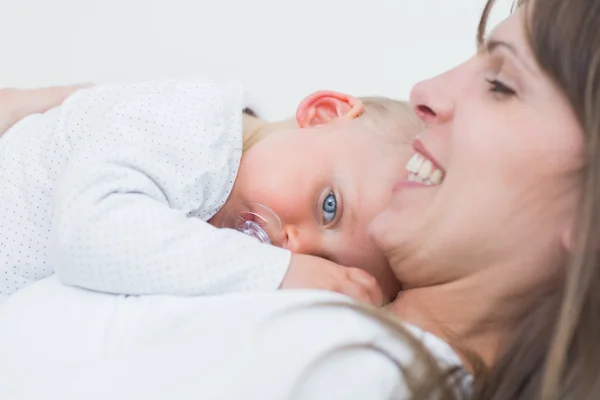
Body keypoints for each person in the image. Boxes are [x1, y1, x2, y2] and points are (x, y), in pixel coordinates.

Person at [1, 0, 598, 398]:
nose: (426, 92)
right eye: (330, 207)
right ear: (325, 112)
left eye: (501, 85)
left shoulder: (358, 370)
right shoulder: (202, 150)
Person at [0, 79, 420, 305]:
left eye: (320, 261)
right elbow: (86, 235)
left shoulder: (213, 218)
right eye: (328, 207)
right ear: (324, 114)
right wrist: (282, 275)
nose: (295, 246)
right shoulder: (193, 132)